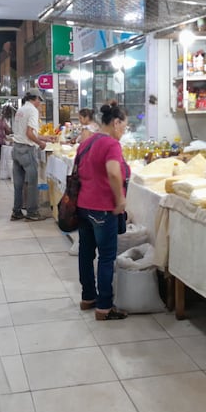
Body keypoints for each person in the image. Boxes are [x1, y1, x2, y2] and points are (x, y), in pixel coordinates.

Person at [76, 102, 130, 321]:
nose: (123, 131)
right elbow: (114, 173)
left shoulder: (87, 142)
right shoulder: (111, 145)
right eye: (124, 127)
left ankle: (88, 297)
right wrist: (120, 200)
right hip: (103, 208)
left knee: (86, 253)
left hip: (83, 206)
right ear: (116, 122)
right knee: (107, 258)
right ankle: (104, 307)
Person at [11, 88, 54, 221]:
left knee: (18, 183)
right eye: (39, 101)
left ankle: (16, 211)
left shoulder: (21, 109)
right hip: (26, 150)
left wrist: (45, 138)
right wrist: (41, 144)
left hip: (16, 149)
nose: (40, 103)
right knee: (32, 181)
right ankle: (32, 212)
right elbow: (29, 134)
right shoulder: (33, 111)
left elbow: (25, 133)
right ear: (35, 99)